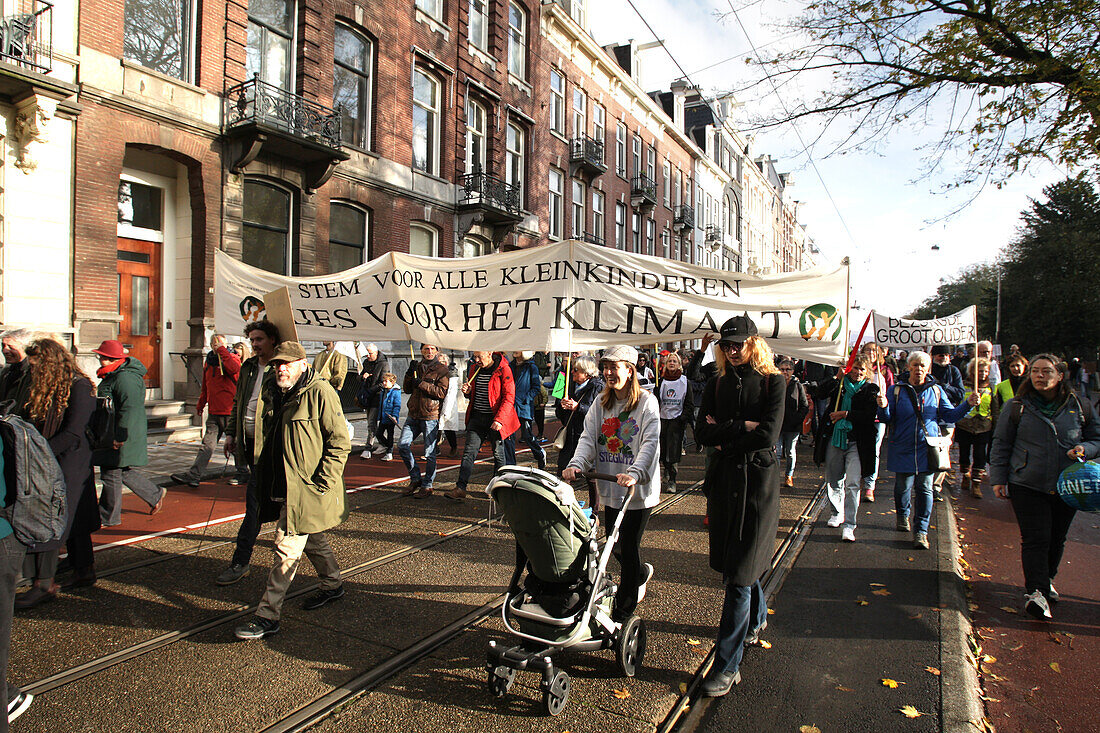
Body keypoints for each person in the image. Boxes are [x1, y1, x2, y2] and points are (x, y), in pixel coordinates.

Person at [234, 342, 351, 640]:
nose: (280, 368)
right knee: (312, 537)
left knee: (285, 548)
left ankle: (267, 615)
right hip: (282, 483)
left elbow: (340, 441)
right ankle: (333, 583)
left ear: (302, 363)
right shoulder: (276, 391)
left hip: (307, 488)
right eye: (276, 364)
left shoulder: (320, 392)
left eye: (286, 363)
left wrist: (323, 482)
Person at [694, 316, 784, 697]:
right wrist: (740, 427)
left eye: (738, 344)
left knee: (740, 575)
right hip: (725, 482)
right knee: (736, 564)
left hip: (757, 487)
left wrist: (726, 434)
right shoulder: (716, 381)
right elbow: (701, 431)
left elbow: (769, 434)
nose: (731, 351)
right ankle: (757, 618)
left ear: (753, 343)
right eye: (726, 345)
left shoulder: (774, 381)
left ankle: (727, 667)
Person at [990, 354, 1100, 620]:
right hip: (1027, 483)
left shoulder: (1079, 405)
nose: (1040, 376)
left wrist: (1085, 448)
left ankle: (1047, 578)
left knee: (1056, 537)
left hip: (1068, 485)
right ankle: (1036, 593)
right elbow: (1001, 442)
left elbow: (1096, 438)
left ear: (1060, 375)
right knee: (1035, 538)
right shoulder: (1017, 406)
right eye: (1035, 371)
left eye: (1047, 371)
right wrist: (998, 478)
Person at [563, 344, 660, 623]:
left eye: (613, 367)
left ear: (629, 371)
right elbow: (587, 438)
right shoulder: (601, 403)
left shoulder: (647, 403)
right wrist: (576, 463)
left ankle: (624, 609)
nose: (607, 372)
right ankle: (640, 573)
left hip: (635, 490)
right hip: (609, 486)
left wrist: (636, 472)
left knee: (627, 547)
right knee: (614, 545)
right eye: (605, 367)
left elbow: (650, 444)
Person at [13, 338, 97, 608]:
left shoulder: (79, 386)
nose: (34, 371)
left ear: (51, 364)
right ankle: (84, 570)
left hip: (70, 462)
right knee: (72, 516)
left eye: (38, 366)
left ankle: (44, 584)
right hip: (52, 459)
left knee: (52, 518)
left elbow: (73, 431)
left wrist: (41, 454)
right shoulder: (45, 387)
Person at [879, 351, 975, 549]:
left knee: (924, 488)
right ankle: (902, 515)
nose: (919, 369)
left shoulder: (937, 391)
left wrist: (968, 404)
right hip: (902, 446)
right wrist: (883, 407)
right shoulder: (896, 390)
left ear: (928, 369)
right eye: (915, 365)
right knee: (902, 488)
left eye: (923, 366)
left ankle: (921, 531)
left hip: (926, 448)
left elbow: (951, 415)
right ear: (908, 368)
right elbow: (887, 418)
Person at [218, 320, 279, 586]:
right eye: (252, 340)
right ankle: (242, 561)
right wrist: (231, 432)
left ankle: (240, 561)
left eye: (259, 339)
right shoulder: (249, 367)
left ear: (272, 340)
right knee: (257, 504)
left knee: (259, 505)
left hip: (271, 448)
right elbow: (238, 401)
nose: (254, 345)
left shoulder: (282, 368)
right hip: (250, 445)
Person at [92, 340, 165, 525]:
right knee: (119, 470)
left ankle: (108, 516)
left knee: (111, 471)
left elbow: (129, 409)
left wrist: (119, 436)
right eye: (100, 356)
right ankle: (154, 494)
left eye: (103, 357)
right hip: (113, 430)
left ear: (113, 358)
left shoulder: (124, 378)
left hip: (120, 432)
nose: (100, 360)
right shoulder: (114, 374)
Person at [819, 355, 882, 542]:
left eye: (862, 369)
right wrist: (836, 378)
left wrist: (846, 414)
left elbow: (869, 415)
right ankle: (836, 512)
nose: (858, 372)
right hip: (836, 440)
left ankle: (849, 525)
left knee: (853, 483)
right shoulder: (839, 386)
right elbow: (820, 393)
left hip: (857, 442)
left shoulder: (870, 389)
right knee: (834, 479)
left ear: (867, 371)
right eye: (855, 368)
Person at [171, 333, 242, 488]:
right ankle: (194, 475)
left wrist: (223, 351)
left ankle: (242, 472)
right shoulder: (209, 363)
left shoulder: (232, 358)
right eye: (214, 343)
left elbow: (233, 368)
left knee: (235, 445)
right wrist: (201, 404)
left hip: (230, 412)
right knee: (207, 445)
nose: (216, 346)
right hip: (214, 412)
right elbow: (206, 385)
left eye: (220, 344)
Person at [448, 351, 519, 501]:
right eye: (475, 356)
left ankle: (496, 487)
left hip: (495, 418)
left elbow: (509, 397)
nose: (476, 360)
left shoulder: (503, 369)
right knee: (469, 452)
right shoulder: (474, 369)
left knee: (499, 454)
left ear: (489, 353)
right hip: (477, 416)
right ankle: (461, 487)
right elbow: (475, 393)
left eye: (480, 356)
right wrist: (468, 392)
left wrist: (499, 419)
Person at [398, 343, 449, 498]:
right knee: (402, 446)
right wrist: (409, 373)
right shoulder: (417, 366)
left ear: (437, 351)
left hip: (430, 415)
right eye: (426, 349)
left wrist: (421, 383)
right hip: (413, 413)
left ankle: (427, 485)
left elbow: (441, 392)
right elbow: (407, 389)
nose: (429, 352)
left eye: (433, 349)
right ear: (421, 350)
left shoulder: (442, 369)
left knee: (429, 452)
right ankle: (415, 478)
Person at [554, 356, 603, 476]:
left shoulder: (598, 387)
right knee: (562, 471)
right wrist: (562, 406)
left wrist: (578, 408)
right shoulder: (567, 382)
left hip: (586, 436)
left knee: (591, 475)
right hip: (570, 437)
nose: (572, 372)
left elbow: (599, 413)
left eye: (576, 370)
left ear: (586, 372)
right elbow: (559, 414)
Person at [860, 342, 894, 502]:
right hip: (861, 415)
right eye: (868, 349)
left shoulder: (885, 371)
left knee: (875, 450)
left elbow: (892, 393)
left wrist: (885, 404)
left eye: (874, 350)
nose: (871, 352)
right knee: (858, 448)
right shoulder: (858, 369)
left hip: (878, 417)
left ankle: (869, 486)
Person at [956, 358, 994, 499]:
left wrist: (994, 425)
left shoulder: (992, 387)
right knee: (964, 454)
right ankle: (965, 474)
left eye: (985, 371)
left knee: (980, 455)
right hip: (965, 424)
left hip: (983, 426)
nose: (983, 374)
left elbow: (994, 407)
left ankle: (976, 484)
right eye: (980, 371)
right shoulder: (964, 385)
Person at [657, 353, 693, 493]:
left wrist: (682, 418)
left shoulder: (685, 381)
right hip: (663, 419)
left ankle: (672, 479)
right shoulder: (661, 381)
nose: (671, 363)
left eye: (674, 361)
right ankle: (665, 470)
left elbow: (689, 403)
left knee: (673, 451)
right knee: (663, 449)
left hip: (676, 421)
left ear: (679, 365)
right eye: (669, 361)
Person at [510, 351, 547, 471]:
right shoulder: (510, 366)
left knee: (527, 435)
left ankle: (540, 454)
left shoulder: (532, 367)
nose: (515, 350)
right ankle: (510, 465)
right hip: (510, 405)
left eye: (518, 349)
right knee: (509, 436)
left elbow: (536, 387)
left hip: (524, 406)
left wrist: (526, 398)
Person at [777, 358, 809, 488]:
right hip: (778, 424)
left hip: (792, 425)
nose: (785, 372)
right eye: (782, 369)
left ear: (792, 370)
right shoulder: (775, 383)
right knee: (777, 452)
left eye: (788, 369)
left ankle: (789, 475)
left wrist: (798, 418)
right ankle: (774, 476)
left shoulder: (797, 385)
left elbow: (804, 405)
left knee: (790, 452)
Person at [356, 343, 389, 457]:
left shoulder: (383, 364)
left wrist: (371, 390)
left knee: (371, 422)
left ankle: (368, 447)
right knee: (371, 422)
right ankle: (384, 443)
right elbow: (359, 376)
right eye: (367, 354)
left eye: (370, 354)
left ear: (376, 353)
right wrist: (362, 377)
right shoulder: (366, 362)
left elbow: (384, 382)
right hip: (366, 396)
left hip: (377, 397)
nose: (368, 356)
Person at [367, 373, 400, 460]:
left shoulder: (395, 392)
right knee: (379, 433)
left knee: (390, 434)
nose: (384, 383)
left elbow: (397, 405)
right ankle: (386, 445)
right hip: (383, 417)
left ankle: (389, 452)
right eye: (383, 381)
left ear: (392, 382)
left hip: (390, 418)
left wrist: (395, 416)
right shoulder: (383, 391)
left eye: (386, 381)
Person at [991, 353, 1029, 426]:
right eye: (1012, 366)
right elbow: (997, 408)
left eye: (1018, 365)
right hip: (1008, 423)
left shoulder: (1031, 384)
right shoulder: (1001, 386)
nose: (1015, 368)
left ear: (1024, 366)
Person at [436, 353, 462, 458]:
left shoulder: (451, 374)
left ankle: (454, 447)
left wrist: (446, 409)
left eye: (441, 362)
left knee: (448, 427)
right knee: (436, 427)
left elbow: (451, 393)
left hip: (448, 403)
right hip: (437, 402)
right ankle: (435, 448)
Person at [0, 329, 32, 408]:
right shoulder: (6, 372)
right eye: (3, 346)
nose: (5, 350)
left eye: (10, 347)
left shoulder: (31, 373)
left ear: (25, 348)